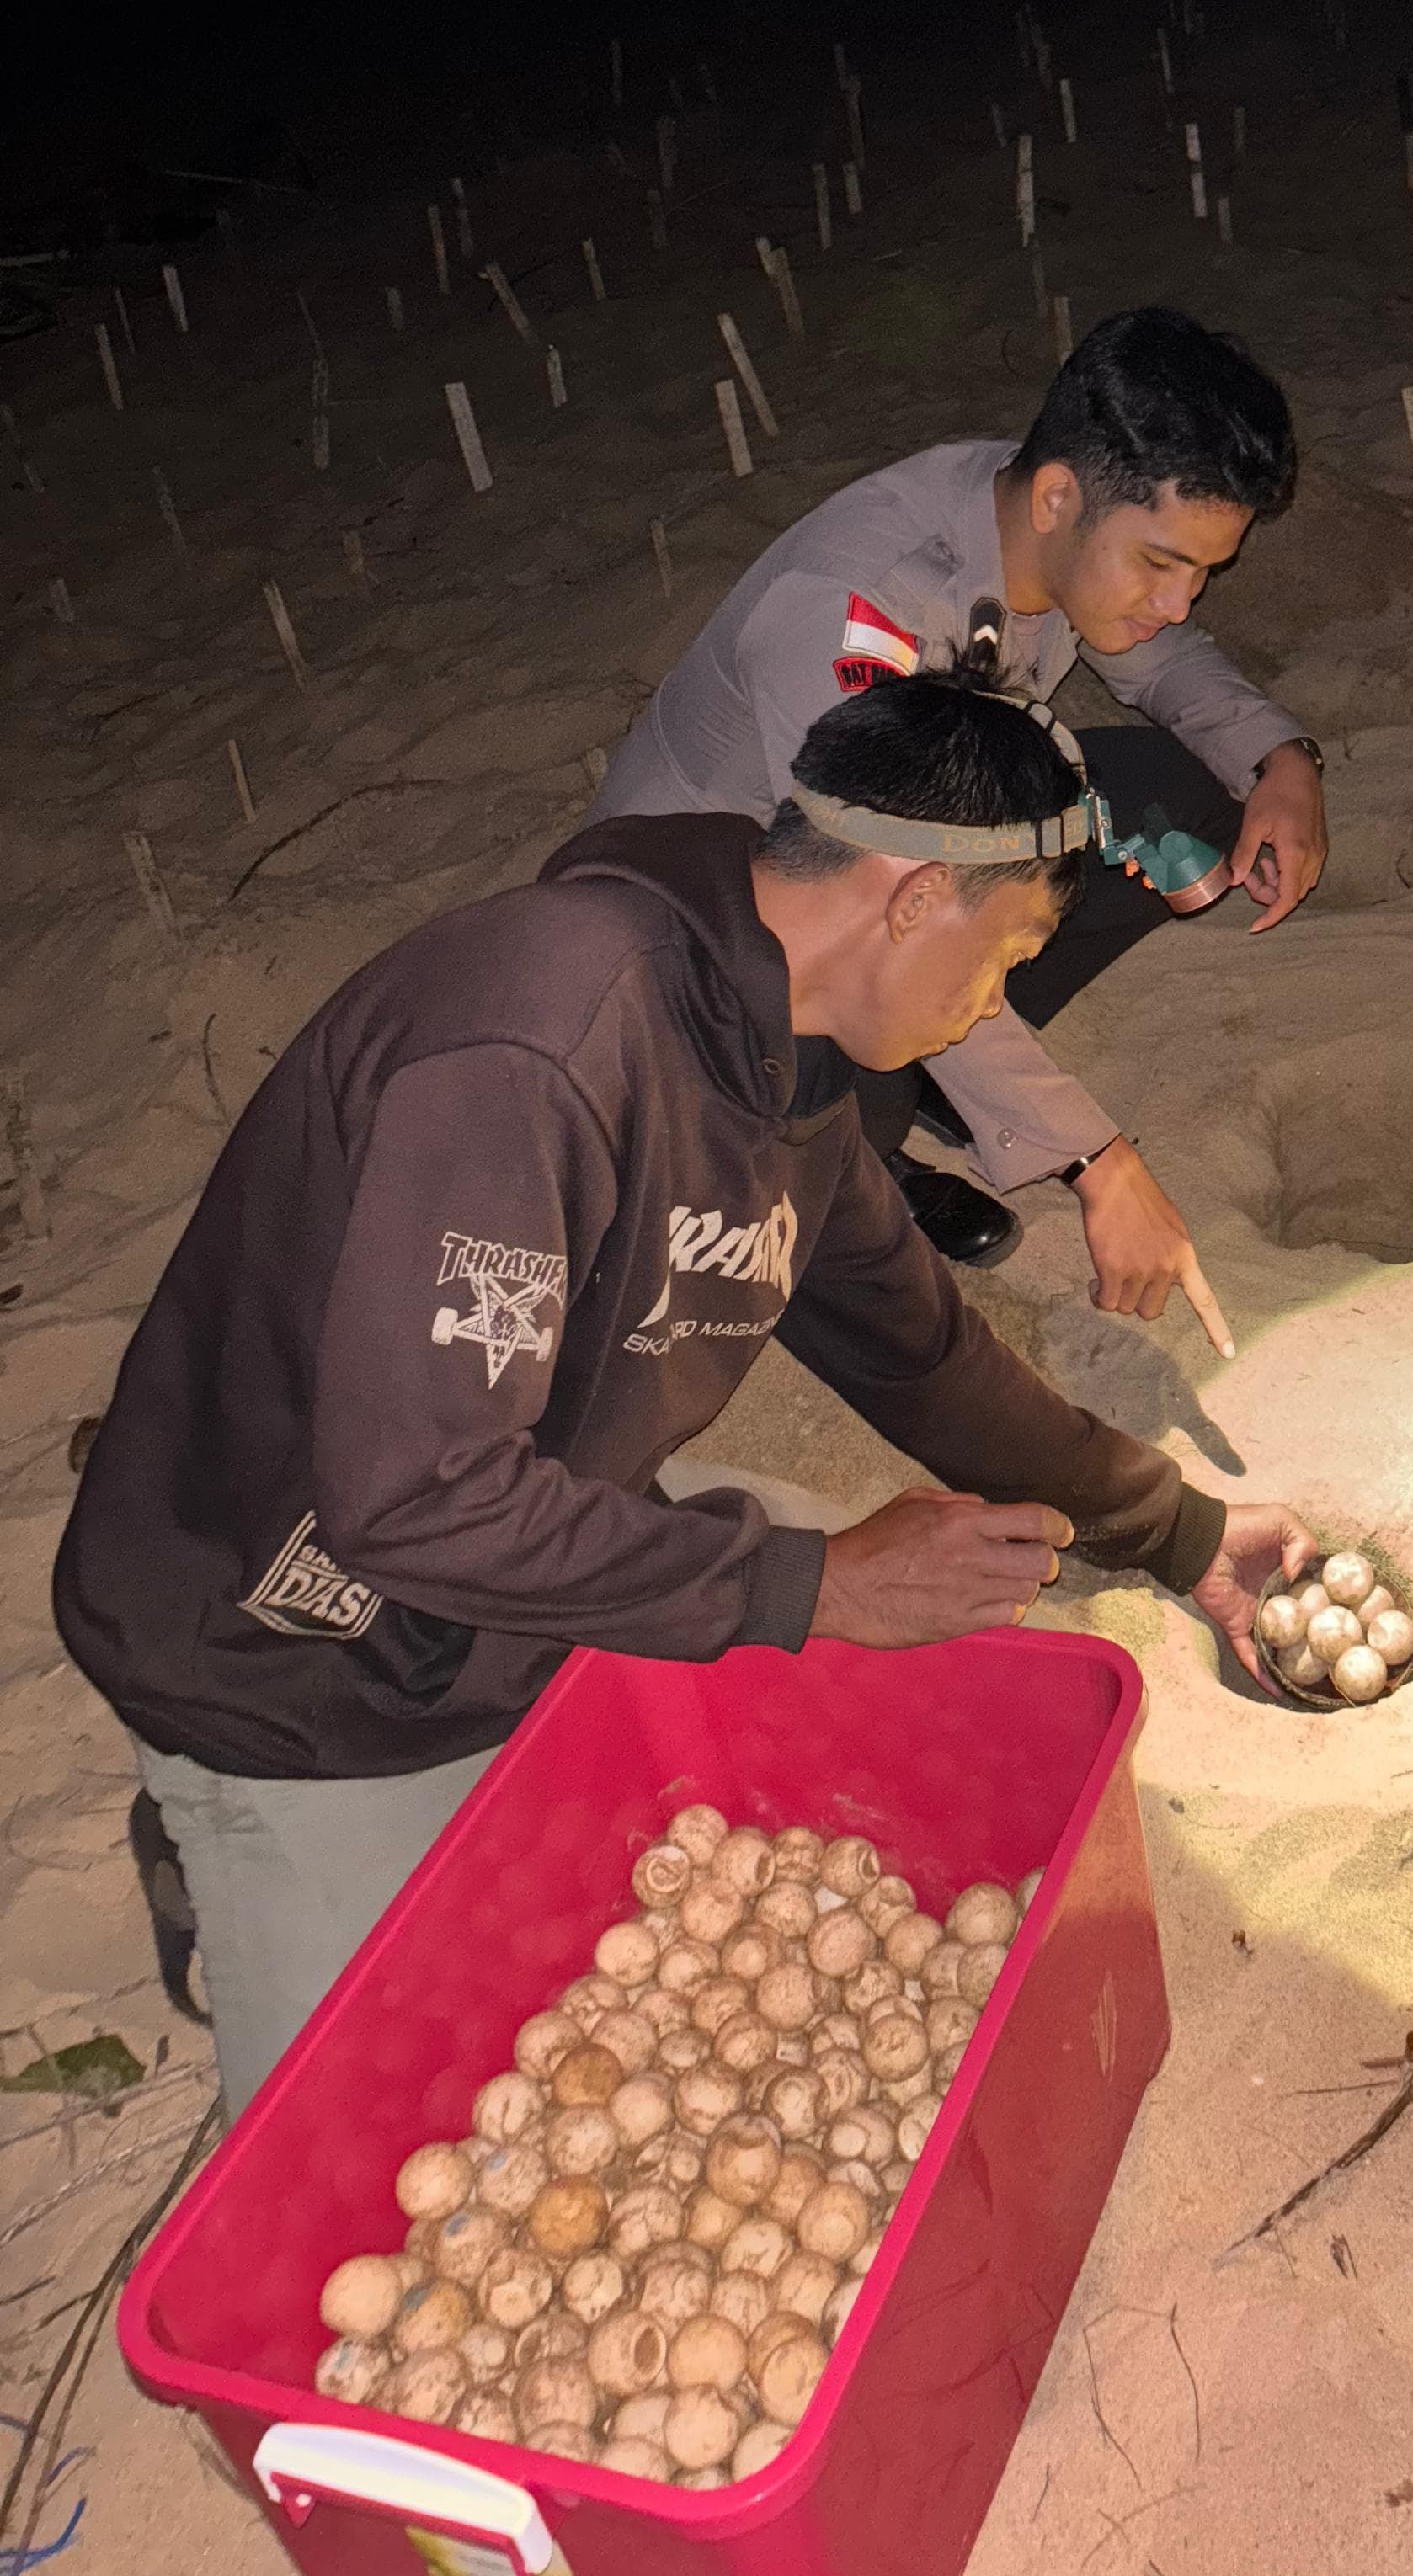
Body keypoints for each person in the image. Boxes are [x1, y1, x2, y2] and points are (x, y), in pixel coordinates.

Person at [54, 671, 1314, 2112]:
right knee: (370, 2116)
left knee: (901, 1634)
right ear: (908, 898)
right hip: (281, 1643)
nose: (993, 1001)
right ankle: (208, 1832)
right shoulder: (533, 1046)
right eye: (1004, 951)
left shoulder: (789, 1070)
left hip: (523, 1568)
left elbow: (925, 1360)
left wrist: (1183, 1535)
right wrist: (811, 1584)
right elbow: (412, 1499)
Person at [593, 307, 1328, 1343]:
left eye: (1204, 572)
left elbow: (1159, 661)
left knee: (1179, 791)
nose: (1178, 601)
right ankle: (868, 1155)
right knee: (852, 1059)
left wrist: (1281, 761)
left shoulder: (1036, 513)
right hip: (710, 943)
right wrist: (1098, 1161)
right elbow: (895, 907)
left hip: (916, 865)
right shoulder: (856, 609)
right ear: (1062, 497)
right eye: (1161, 565)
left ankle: (941, 1091)